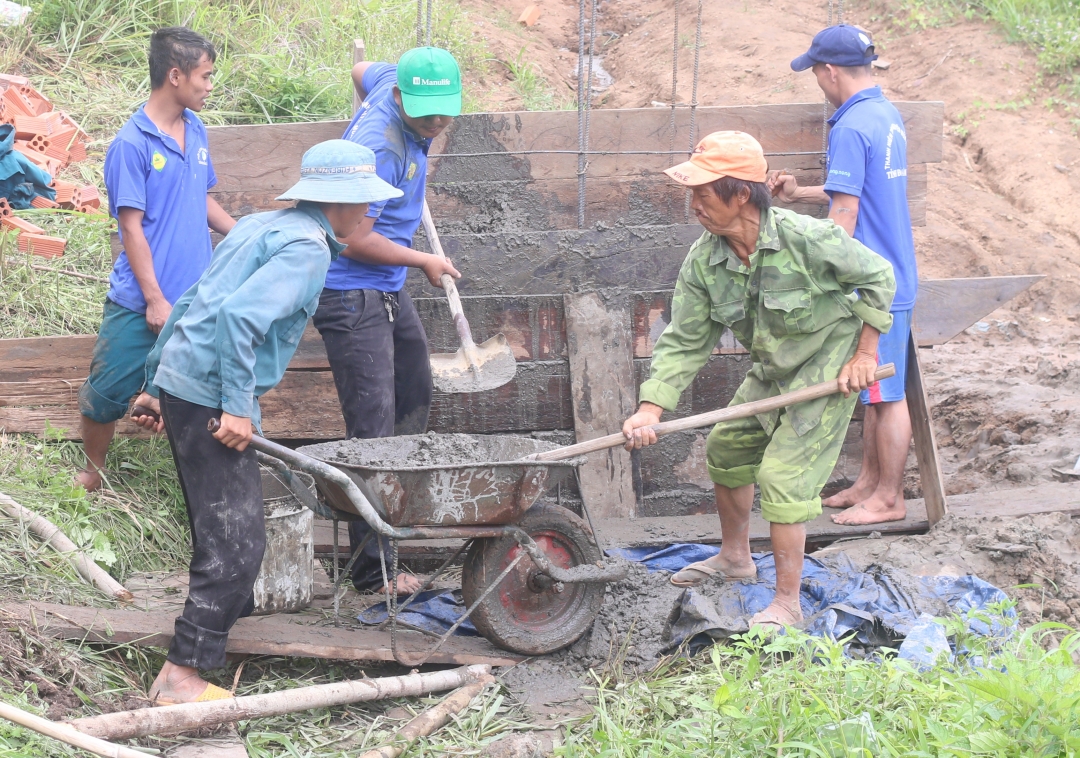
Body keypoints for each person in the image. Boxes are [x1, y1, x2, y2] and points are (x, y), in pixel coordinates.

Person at [130, 140, 402, 704]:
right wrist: (237, 407)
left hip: (184, 383)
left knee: (221, 531)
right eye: (364, 203)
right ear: (337, 203)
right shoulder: (308, 250)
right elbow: (236, 318)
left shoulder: (262, 225)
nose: (369, 214)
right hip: (208, 394)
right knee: (237, 544)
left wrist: (156, 385)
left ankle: (214, 642)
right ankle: (183, 677)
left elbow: (192, 302)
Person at [622, 131, 895, 629]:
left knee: (784, 477)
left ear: (741, 194)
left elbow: (879, 276)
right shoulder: (705, 261)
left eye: (704, 193)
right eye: (692, 193)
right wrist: (651, 408)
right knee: (727, 448)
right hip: (774, 370)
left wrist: (865, 352)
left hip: (826, 367)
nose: (694, 205)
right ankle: (734, 558)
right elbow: (685, 339)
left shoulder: (807, 238)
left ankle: (787, 604)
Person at [314, 47, 462, 595]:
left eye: (445, 112)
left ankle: (390, 525)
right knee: (372, 433)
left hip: (385, 293)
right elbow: (350, 238)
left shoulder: (385, 84)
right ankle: (372, 572)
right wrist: (422, 259)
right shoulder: (380, 146)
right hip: (352, 295)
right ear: (399, 98)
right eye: (426, 116)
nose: (437, 124)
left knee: (414, 393)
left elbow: (359, 69)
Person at [770, 24, 917, 526]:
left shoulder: (850, 127)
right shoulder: (884, 114)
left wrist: (820, 273)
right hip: (893, 268)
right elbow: (855, 191)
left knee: (886, 396)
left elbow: (847, 215)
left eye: (814, 70)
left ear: (830, 71)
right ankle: (869, 485)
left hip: (874, 282)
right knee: (873, 391)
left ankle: (890, 498)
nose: (816, 80)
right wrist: (799, 195)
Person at [76, 27, 235, 491]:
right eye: (205, 76)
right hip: (141, 299)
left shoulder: (197, 129)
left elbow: (200, 198)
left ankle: (198, 482)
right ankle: (93, 472)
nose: (209, 85)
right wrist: (153, 298)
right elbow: (131, 226)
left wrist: (242, 231)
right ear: (175, 75)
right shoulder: (132, 144)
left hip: (195, 298)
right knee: (105, 392)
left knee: (198, 391)